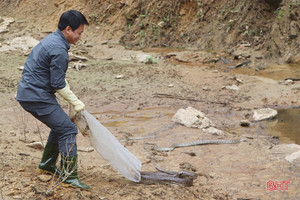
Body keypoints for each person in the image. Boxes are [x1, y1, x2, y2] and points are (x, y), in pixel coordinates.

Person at [16, 10, 90, 189]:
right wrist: (75, 101)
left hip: (31, 92)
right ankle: (69, 176)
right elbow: (57, 83)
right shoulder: (59, 49)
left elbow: (53, 76)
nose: (80, 37)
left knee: (60, 125)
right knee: (68, 129)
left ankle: (47, 166)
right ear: (68, 29)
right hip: (35, 96)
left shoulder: (53, 40)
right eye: (79, 32)